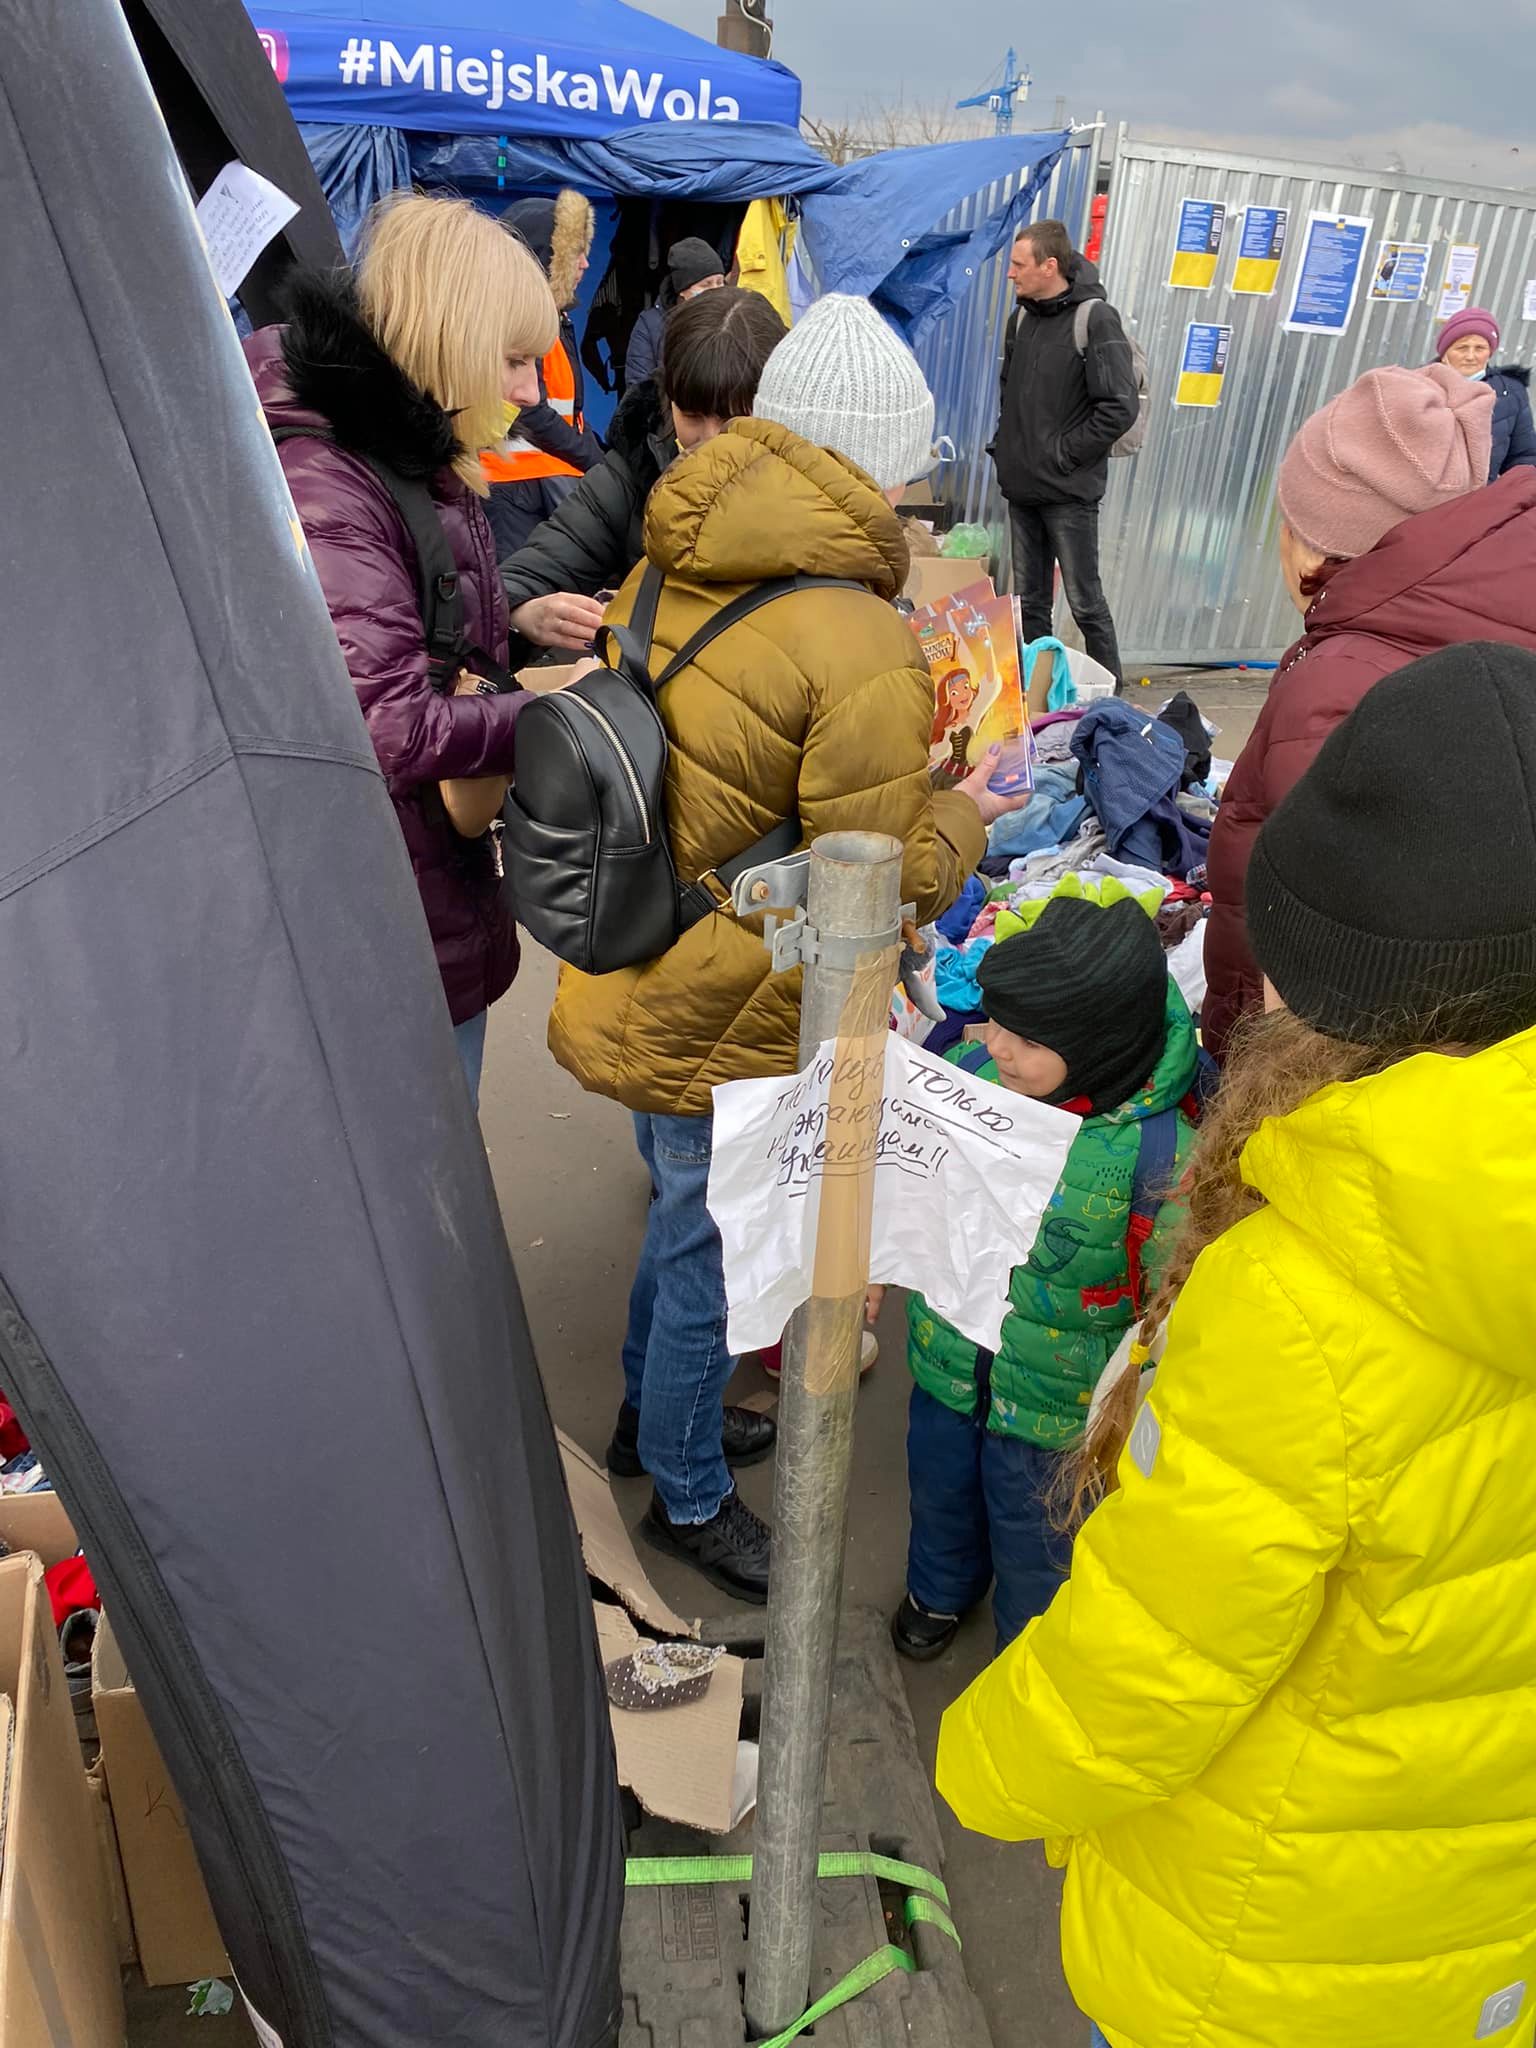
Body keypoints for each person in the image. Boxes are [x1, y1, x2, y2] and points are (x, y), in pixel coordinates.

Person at [936, 640, 1536, 2048]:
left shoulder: (1307, 1295)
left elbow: (1149, 1668)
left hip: (1263, 1949)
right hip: (1478, 1935)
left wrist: (984, 1765)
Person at [549, 293, 1022, 1602]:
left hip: (639, 946)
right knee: (712, 1246)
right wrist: (969, 819)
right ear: (877, 462)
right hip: (743, 990)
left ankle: (653, 1423)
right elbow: (868, 884)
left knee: (678, 1221)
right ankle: (689, 1496)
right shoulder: (858, 637)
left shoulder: (669, 557)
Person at [246, 195, 556, 1103]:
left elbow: (406, 629)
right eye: (511, 362)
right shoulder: (333, 474)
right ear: (449, 347)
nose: (531, 392)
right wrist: (558, 710)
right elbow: (386, 724)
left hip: (415, 893)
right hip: (382, 915)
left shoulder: (392, 443)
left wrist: (519, 625)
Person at [888, 895, 1200, 1661]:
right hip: (949, 1363)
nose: (993, 1043)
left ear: (1094, 1046)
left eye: (1023, 1038)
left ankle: (1027, 1661)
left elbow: (1174, 1306)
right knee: (941, 1496)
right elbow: (908, 1179)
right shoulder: (969, 1073)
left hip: (1056, 1420)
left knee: (1041, 1549)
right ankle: (938, 1588)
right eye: (994, 1020)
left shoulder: (1165, 1158)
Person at [1204, 360, 1536, 1056]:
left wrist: (1247, 1054)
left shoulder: (1341, 681)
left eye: (1287, 519)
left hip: (1298, 1053)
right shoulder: (1480, 620)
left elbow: (1330, 936)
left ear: (1313, 548)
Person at [500, 287, 785, 663]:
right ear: (669, 401)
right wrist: (521, 613)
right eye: (693, 416)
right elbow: (519, 579)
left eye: (734, 419)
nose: (712, 439)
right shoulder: (630, 472)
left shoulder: (811, 487)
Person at [993, 220, 1139, 689]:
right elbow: (1008, 392)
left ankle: (1111, 702)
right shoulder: (1020, 319)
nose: (1011, 275)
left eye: (1019, 265)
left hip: (1068, 492)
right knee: (1030, 603)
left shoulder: (1095, 319)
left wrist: (1063, 454)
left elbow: (1119, 406)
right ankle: (1039, 701)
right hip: (1023, 486)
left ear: (1049, 265)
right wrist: (1009, 448)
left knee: (1085, 602)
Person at [482, 191, 605, 561]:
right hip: (512, 487)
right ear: (543, 257)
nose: (585, 263)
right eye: (574, 254)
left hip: (538, 478)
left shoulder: (551, 316)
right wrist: (593, 459)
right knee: (516, 598)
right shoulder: (520, 320)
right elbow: (528, 413)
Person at [1434, 305, 1536, 479]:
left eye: (1480, 348)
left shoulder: (1509, 392)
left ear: (1490, 352)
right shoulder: (1420, 386)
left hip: (1479, 501)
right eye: (1462, 348)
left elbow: (1523, 456)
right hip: (1425, 501)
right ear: (1445, 353)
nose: (1470, 356)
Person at [624, 236, 727, 392]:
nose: (715, 290)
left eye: (719, 282)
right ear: (683, 291)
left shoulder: (732, 321)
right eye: (706, 284)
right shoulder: (651, 325)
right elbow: (638, 389)